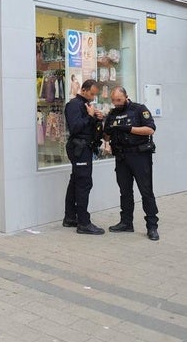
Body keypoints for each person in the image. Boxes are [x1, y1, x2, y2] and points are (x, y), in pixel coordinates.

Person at [103, 86, 159, 241]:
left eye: (119, 100)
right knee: (125, 191)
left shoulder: (139, 109)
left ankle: (152, 226)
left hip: (139, 156)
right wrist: (106, 131)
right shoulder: (113, 113)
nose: (116, 103)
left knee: (146, 191)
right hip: (121, 157)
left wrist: (129, 129)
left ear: (126, 97)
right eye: (113, 100)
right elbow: (107, 138)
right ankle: (126, 222)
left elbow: (150, 130)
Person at [63, 78, 105, 235]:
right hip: (79, 148)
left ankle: (70, 217)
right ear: (85, 89)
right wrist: (89, 116)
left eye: (95, 94)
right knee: (83, 184)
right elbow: (75, 128)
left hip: (84, 148)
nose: (94, 97)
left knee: (76, 181)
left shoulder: (86, 105)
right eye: (92, 94)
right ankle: (83, 223)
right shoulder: (74, 105)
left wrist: (98, 118)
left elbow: (89, 127)